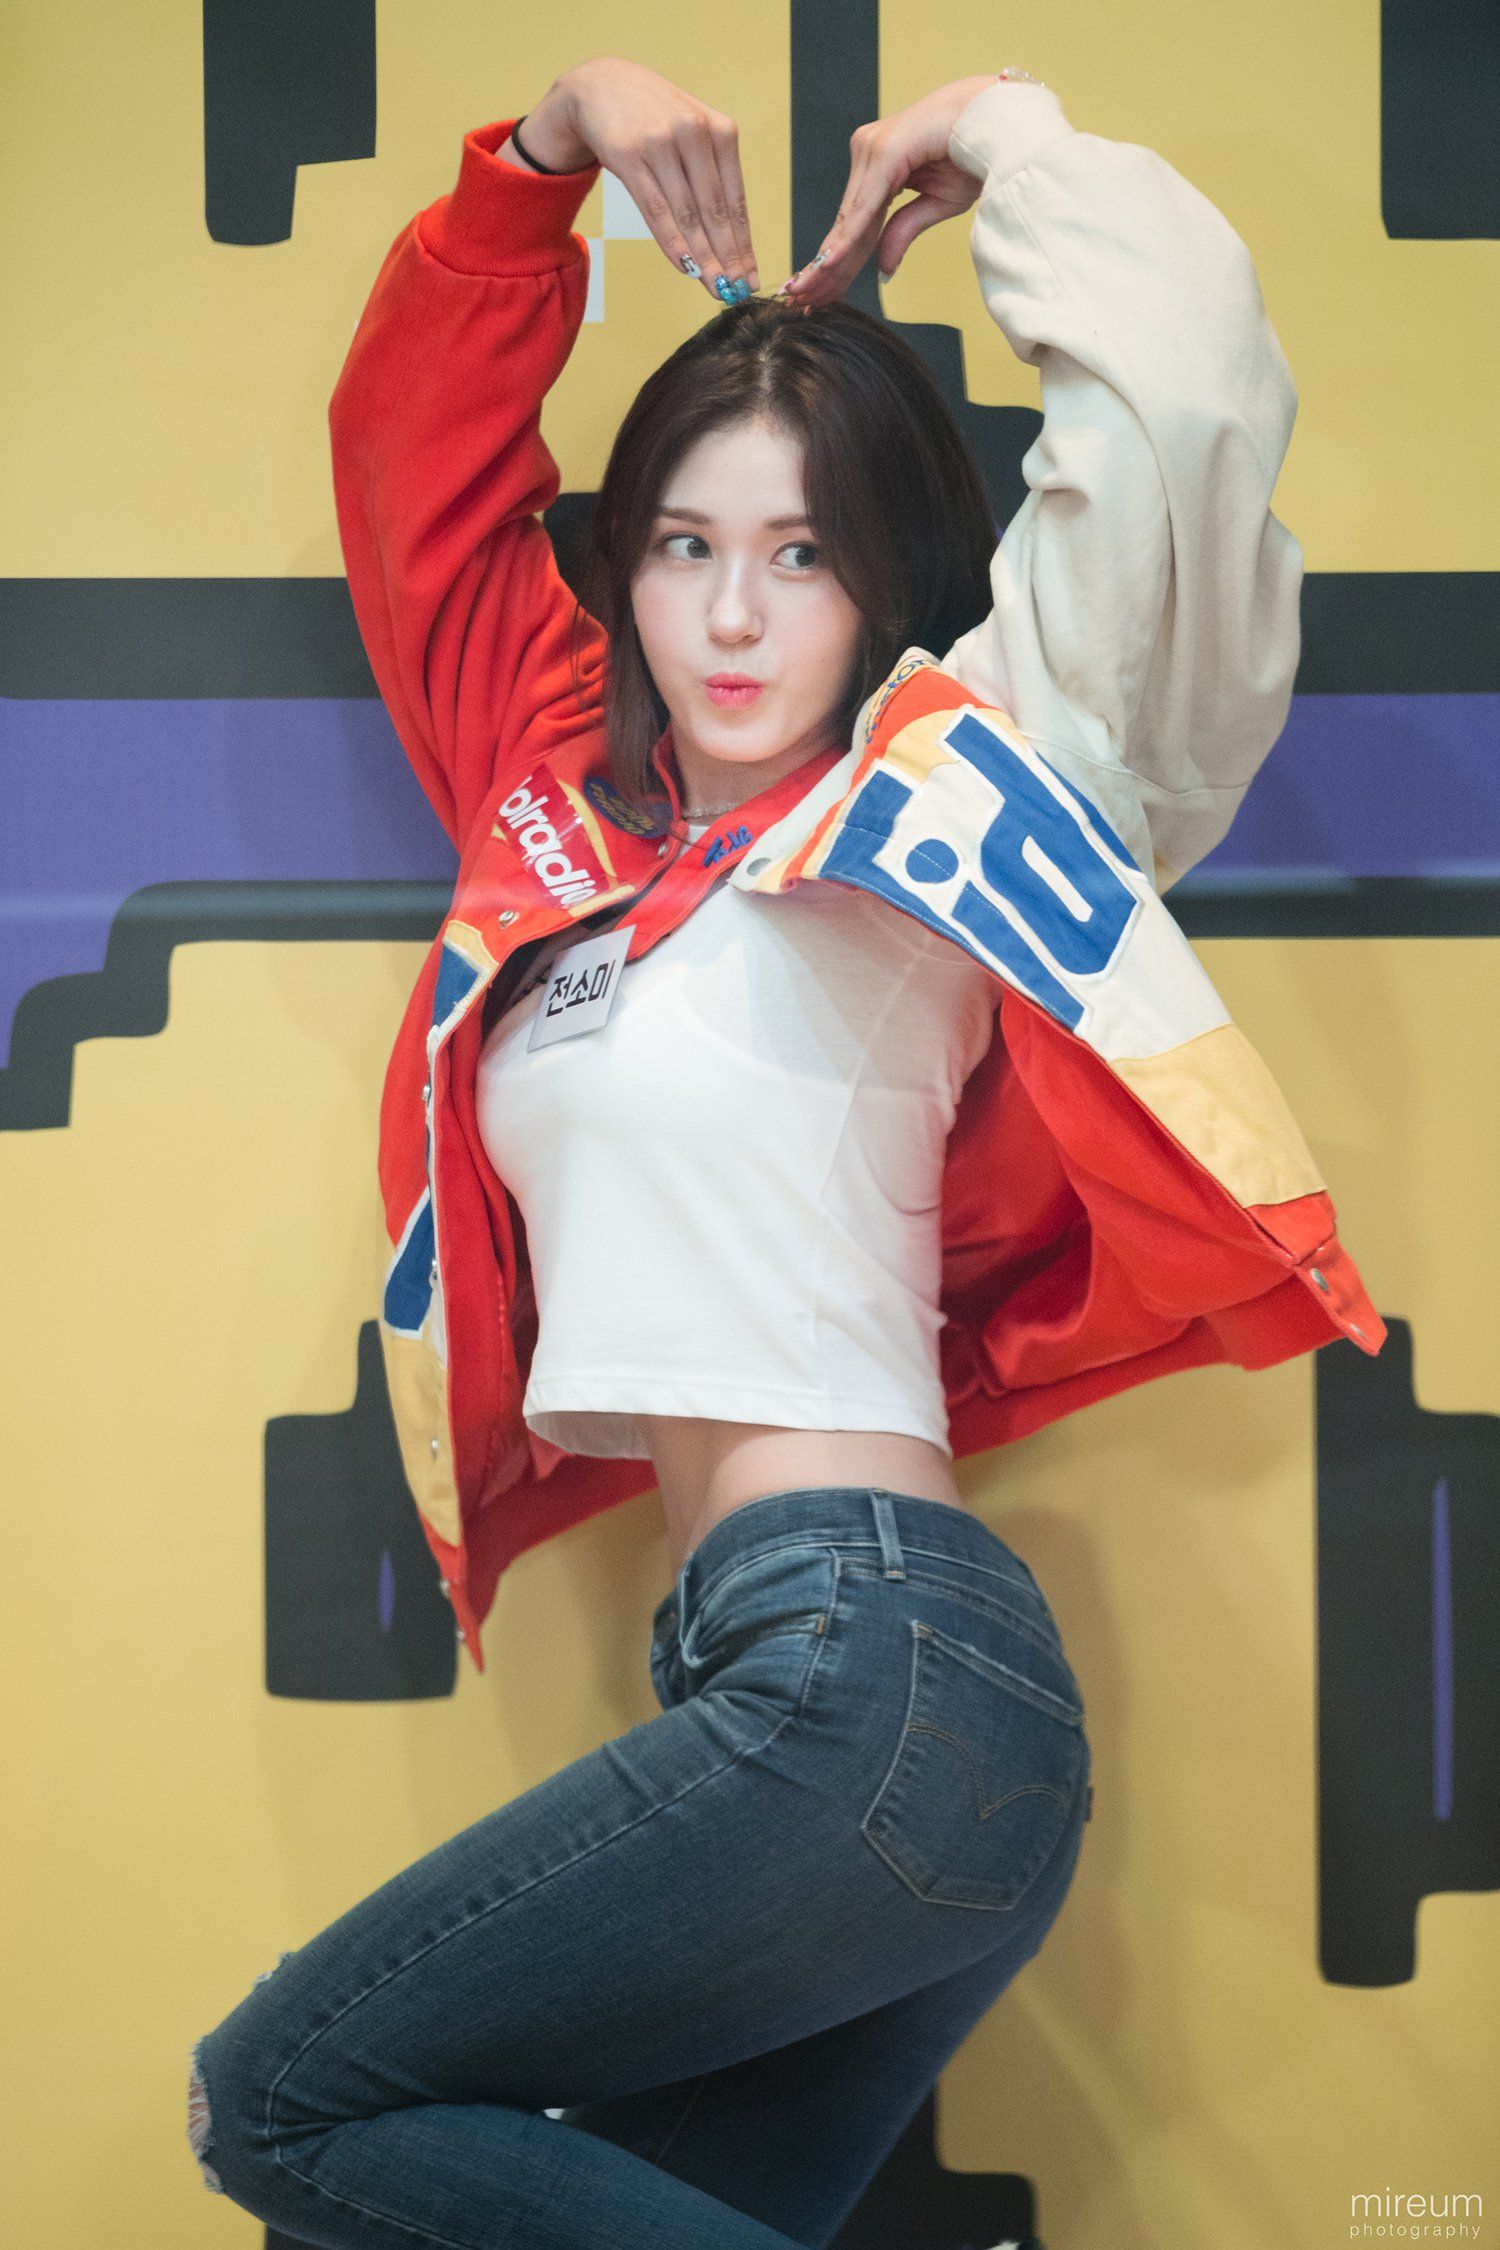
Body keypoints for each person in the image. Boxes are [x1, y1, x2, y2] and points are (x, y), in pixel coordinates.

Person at [187, 54, 1382, 2250]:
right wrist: (544, 152)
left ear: (883, 576)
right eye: (687, 547)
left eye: (804, 555)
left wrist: (1012, 138)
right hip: (785, 1668)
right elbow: (418, 481)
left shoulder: (961, 792)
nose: (732, 618)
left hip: (876, 1659)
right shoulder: (552, 817)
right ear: (628, 570)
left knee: (281, 2100)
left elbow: (1181, 411)